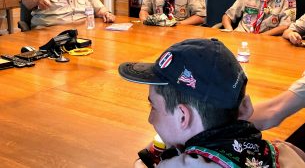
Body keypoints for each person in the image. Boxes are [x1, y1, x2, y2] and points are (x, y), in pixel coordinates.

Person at [118, 38, 305, 167]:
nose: (150, 119)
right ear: (246, 107)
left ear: (183, 116)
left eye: (153, 107)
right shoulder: (285, 152)